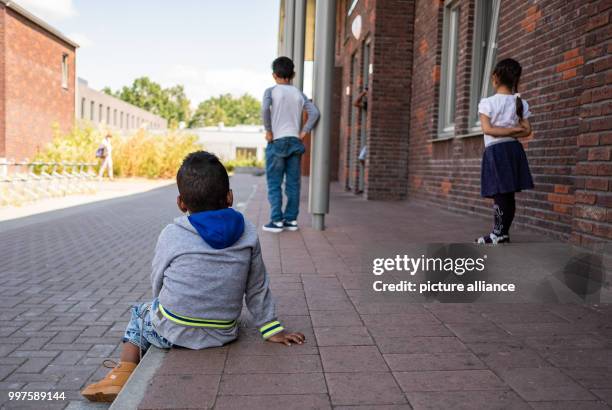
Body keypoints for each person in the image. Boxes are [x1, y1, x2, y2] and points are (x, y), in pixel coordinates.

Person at [81, 151, 305, 403]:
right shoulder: (249, 232)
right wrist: (271, 328)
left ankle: (122, 374)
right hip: (222, 332)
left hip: (173, 328)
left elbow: (157, 279)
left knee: (139, 315)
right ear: (229, 197)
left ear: (181, 203)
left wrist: (160, 307)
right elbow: (257, 285)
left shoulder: (171, 233)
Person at [476, 58, 534, 244]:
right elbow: (524, 130)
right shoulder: (520, 103)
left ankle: (497, 234)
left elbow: (488, 129)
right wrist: (512, 131)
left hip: (497, 151)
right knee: (507, 194)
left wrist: (503, 130)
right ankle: (503, 233)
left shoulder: (488, 103)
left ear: (495, 77)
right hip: (513, 149)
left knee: (501, 193)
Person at [261, 56, 320, 233]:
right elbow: (314, 113)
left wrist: (269, 130)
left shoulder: (270, 91)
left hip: (277, 141)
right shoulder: (299, 93)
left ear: (274, 75)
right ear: (293, 74)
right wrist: (304, 132)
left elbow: (265, 109)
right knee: (293, 184)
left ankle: (277, 221)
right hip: (295, 141)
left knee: (274, 183)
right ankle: (291, 220)